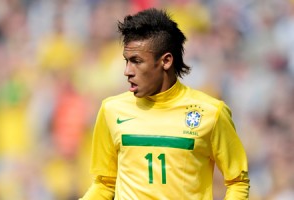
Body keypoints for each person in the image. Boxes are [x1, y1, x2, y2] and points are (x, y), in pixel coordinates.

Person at [80, 8, 250, 200]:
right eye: (126, 61)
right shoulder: (111, 110)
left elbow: (237, 182)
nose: (127, 71)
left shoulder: (211, 113)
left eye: (136, 61)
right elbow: (104, 184)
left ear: (166, 61)